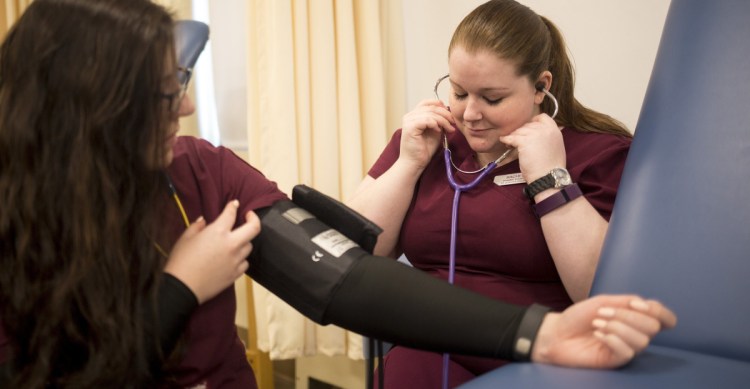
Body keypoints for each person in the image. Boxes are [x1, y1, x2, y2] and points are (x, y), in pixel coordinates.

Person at [0, 1, 676, 388]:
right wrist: (181, 286)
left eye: (179, 87)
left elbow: (341, 272)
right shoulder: (16, 217)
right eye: (164, 93)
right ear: (89, 109)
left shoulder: (201, 170)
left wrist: (541, 331)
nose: (182, 112)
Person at [346, 0, 637, 387]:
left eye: (492, 98)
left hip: (538, 358)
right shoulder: (431, 140)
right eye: (459, 92)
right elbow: (354, 253)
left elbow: (600, 293)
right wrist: (408, 164)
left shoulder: (597, 153)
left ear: (540, 87)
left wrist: (551, 178)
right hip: (429, 347)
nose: (469, 114)